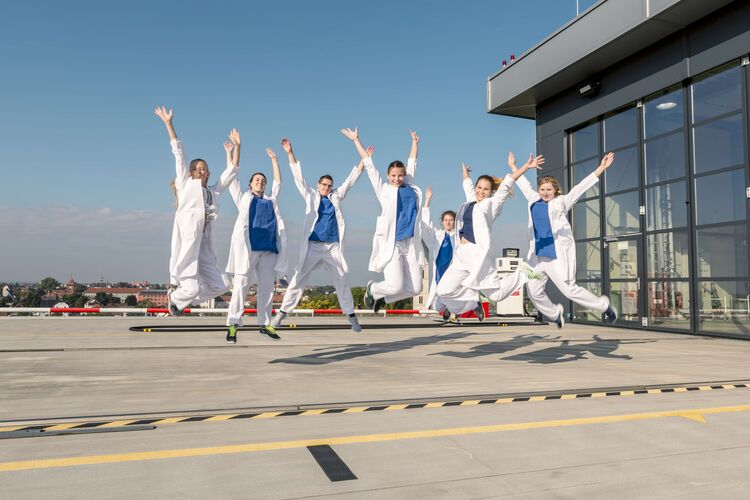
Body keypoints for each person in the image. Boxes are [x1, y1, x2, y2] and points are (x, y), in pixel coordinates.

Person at [269, 138, 370, 332]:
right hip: (313, 247)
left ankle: (351, 316)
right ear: (318, 185)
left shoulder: (337, 196)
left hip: (332, 247)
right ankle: (280, 315)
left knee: (342, 278)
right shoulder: (311, 195)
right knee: (298, 279)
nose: (326, 187)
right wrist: (290, 153)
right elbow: (298, 178)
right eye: (323, 184)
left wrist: (364, 160)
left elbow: (351, 180)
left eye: (329, 185)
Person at [508, 151, 618, 327]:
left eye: (549, 190)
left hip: (555, 257)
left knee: (569, 290)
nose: (545, 193)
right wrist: (513, 166)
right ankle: (555, 313)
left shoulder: (562, 202)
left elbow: (580, 187)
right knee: (534, 291)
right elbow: (522, 183)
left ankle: (604, 306)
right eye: (542, 189)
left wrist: (601, 168)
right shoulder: (533, 200)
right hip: (537, 257)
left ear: (555, 190)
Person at [154, 106, 238, 316]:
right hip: (189, 245)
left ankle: (179, 301)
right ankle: (176, 297)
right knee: (190, 288)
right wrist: (168, 123)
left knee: (222, 285)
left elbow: (232, 172)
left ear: (209, 173)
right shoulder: (185, 185)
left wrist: (237, 147)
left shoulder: (213, 192)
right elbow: (179, 153)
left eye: (204, 168)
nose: (201, 171)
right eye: (197, 168)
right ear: (191, 172)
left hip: (206, 247)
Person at [435, 159, 543, 318]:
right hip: (461, 255)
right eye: (479, 187)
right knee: (443, 290)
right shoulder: (470, 202)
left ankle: (524, 271)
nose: (481, 191)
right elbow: (468, 186)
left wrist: (525, 167)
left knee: (496, 295)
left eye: (486, 189)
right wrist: (465, 174)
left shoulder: (492, 204)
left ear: (491, 192)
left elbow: (507, 183)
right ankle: (472, 304)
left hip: (477, 255)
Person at [341, 127, 423, 313]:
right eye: (393, 175)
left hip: (409, 243)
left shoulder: (410, 185)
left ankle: (383, 299)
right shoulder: (384, 190)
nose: (397, 178)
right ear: (388, 176)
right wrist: (356, 140)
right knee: (395, 285)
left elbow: (412, 162)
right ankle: (373, 289)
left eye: (400, 175)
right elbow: (369, 165)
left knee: (415, 288)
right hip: (392, 243)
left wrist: (415, 143)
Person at [225, 141, 288, 343]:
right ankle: (233, 324)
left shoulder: (271, 199)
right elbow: (231, 175)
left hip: (268, 249)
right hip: (248, 248)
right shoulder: (243, 197)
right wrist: (232, 151)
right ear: (250, 184)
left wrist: (275, 160)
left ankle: (265, 324)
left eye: (262, 180)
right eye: (256, 179)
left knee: (267, 288)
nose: (260, 182)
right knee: (241, 285)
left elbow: (278, 182)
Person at [420, 187, 463, 317]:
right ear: (442, 222)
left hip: (453, 271)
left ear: (455, 222)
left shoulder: (460, 237)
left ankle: (452, 309)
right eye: (445, 220)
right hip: (439, 271)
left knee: (454, 293)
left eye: (451, 220)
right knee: (436, 303)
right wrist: (427, 200)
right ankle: (444, 310)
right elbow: (426, 224)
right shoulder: (437, 236)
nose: (448, 222)